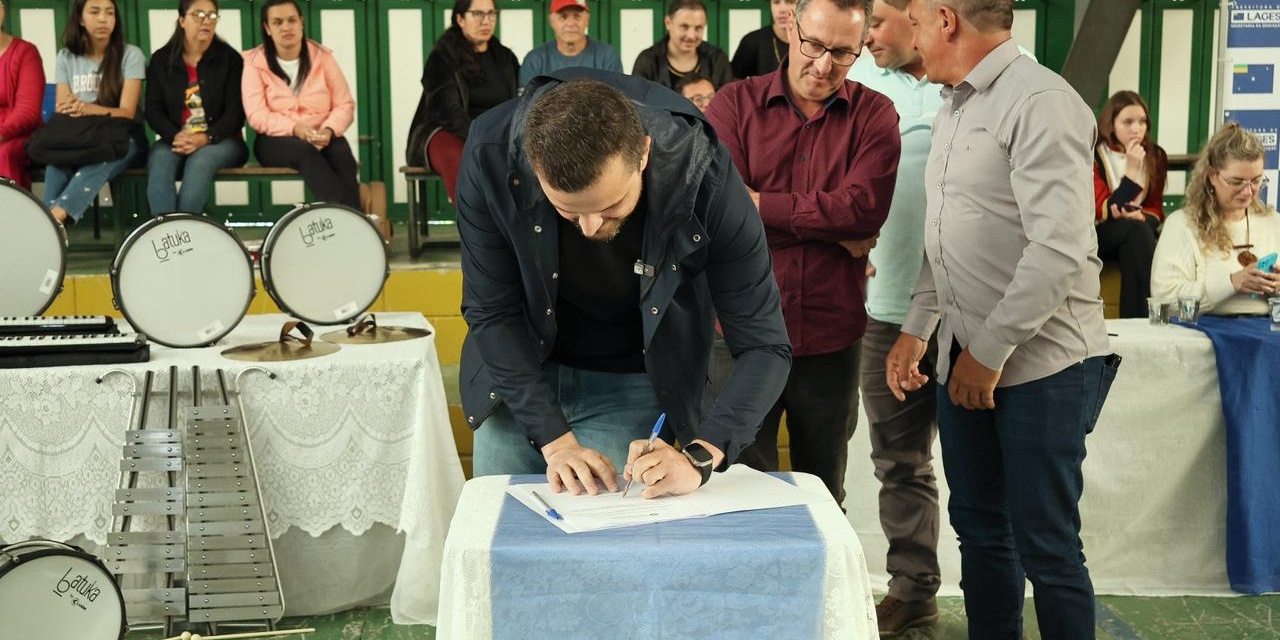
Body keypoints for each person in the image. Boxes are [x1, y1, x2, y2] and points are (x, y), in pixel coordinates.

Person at [887, 1, 1113, 638]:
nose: (908, 32)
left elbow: (1059, 250)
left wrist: (987, 353)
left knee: (1047, 544)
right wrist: (917, 326)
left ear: (946, 18)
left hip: (1042, 364)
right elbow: (948, 235)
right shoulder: (955, 105)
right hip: (965, 358)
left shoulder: (1041, 101)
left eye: (912, 16)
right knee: (982, 532)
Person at [456, 68, 790, 499]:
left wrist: (701, 456)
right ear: (532, 165)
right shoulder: (491, 152)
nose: (590, 227)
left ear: (645, 154)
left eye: (611, 206)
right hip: (516, 376)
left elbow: (765, 344)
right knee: (500, 541)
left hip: (631, 380)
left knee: (606, 549)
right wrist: (556, 442)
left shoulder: (704, 178)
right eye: (568, 211)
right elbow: (491, 310)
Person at [705, 0, 898, 505]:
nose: (823, 64)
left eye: (842, 53)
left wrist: (760, 204)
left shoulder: (875, 116)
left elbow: (864, 212)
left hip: (829, 338)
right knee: (738, 492)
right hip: (740, 335)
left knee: (823, 492)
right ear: (791, 28)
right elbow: (721, 213)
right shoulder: (732, 105)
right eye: (814, 45)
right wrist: (831, 225)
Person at [845, 0, 941, 634]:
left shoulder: (971, 81)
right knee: (899, 459)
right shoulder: (855, 85)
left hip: (970, 312)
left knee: (989, 461)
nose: (867, 35)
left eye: (877, 21)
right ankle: (914, 586)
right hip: (887, 308)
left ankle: (1000, 589)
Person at [242, 0, 360, 210]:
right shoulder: (253, 62)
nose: (286, 27)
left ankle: (354, 220)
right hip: (275, 140)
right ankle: (349, 216)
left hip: (320, 132)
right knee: (304, 151)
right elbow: (257, 115)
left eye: (291, 20)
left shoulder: (322, 57)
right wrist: (295, 128)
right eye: (277, 22)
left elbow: (344, 103)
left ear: (301, 22)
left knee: (341, 151)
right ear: (267, 28)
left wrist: (329, 129)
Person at [1151, 123, 1280, 313]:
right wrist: (1231, 283)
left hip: (1264, 331)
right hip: (1203, 333)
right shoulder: (1183, 224)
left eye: (1256, 181)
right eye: (1236, 182)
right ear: (1212, 175)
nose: (1247, 191)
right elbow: (1164, 298)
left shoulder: (1273, 222)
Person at [405, 0, 518, 202]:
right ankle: (475, 224)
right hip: (446, 130)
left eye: (491, 13)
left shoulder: (504, 57)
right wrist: (483, 141)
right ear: (460, 19)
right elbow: (447, 111)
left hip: (495, 133)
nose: (486, 21)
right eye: (477, 14)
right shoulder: (442, 57)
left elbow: (515, 104)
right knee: (459, 158)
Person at [45, 0, 145, 226]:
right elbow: (62, 107)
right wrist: (77, 109)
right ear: (80, 18)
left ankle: (53, 220)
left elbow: (127, 112)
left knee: (100, 160)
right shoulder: (66, 57)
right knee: (56, 164)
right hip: (79, 138)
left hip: (122, 139)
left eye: (109, 13)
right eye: (95, 11)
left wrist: (88, 108)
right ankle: (50, 231)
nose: (103, 19)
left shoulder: (131, 55)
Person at [145, 0, 247, 215]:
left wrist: (206, 137)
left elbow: (235, 113)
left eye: (212, 15)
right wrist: (175, 135)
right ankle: (164, 232)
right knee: (160, 161)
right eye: (198, 14)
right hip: (175, 138)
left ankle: (187, 233)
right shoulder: (161, 60)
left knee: (201, 161)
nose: (206, 21)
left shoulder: (230, 59)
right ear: (182, 20)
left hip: (223, 140)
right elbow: (153, 110)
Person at [1094, 90, 1167, 318]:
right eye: (1128, 122)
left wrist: (1143, 217)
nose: (1137, 129)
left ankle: (1132, 323)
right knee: (1136, 231)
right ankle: (1149, 316)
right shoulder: (1094, 154)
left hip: (1133, 233)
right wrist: (1133, 170)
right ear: (1111, 124)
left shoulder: (1155, 155)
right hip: (1097, 234)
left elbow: (1155, 207)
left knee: (1135, 236)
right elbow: (1107, 208)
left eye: (1142, 121)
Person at [632, 0, 733, 90]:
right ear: (668, 23)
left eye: (698, 28)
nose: (691, 35)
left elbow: (727, 103)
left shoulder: (717, 59)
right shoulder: (648, 61)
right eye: (684, 26)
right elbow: (636, 103)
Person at [518, 0, 621, 86]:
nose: (571, 24)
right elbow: (525, 105)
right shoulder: (535, 60)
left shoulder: (607, 56)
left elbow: (617, 102)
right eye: (563, 17)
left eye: (577, 16)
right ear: (551, 20)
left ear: (587, 19)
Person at [0, 0, 45, 190]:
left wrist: (1, 133)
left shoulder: (25, 52)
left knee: (4, 154)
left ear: (1, 11)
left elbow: (28, 111)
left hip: (16, 135)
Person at [730, 0, 795, 78]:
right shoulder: (752, 41)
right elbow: (734, 83)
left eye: (790, 2)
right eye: (776, 2)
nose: (782, 10)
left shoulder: (811, 41)